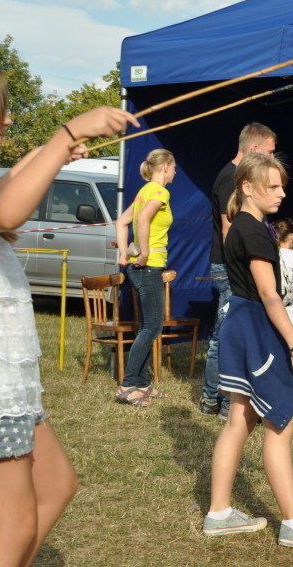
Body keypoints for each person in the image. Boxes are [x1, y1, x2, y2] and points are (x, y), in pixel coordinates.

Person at [0, 57, 135, 566]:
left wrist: (50, 153)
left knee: (56, 486)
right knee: (12, 526)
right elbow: (4, 211)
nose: (8, 119)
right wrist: (66, 135)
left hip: (5, 386)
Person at [203, 153, 293, 550]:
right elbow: (269, 295)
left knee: (240, 420)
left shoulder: (243, 225)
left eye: (282, 185)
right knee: (280, 424)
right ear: (247, 187)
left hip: (241, 324)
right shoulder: (253, 231)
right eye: (273, 186)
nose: (282, 193)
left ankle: (219, 513)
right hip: (258, 330)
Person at [200, 123, 277, 419]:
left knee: (231, 332)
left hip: (233, 266)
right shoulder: (230, 178)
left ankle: (219, 399)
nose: (272, 157)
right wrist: (239, 269)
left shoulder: (240, 176)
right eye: (270, 152)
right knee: (226, 334)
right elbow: (228, 229)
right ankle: (217, 400)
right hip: (229, 266)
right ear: (254, 149)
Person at [113, 148, 177, 407]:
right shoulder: (160, 191)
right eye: (174, 168)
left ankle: (141, 383)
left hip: (140, 266)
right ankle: (128, 385)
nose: (175, 173)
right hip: (148, 267)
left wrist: (123, 253)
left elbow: (121, 222)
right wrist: (145, 253)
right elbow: (142, 219)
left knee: (146, 326)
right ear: (165, 167)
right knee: (152, 327)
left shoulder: (144, 191)